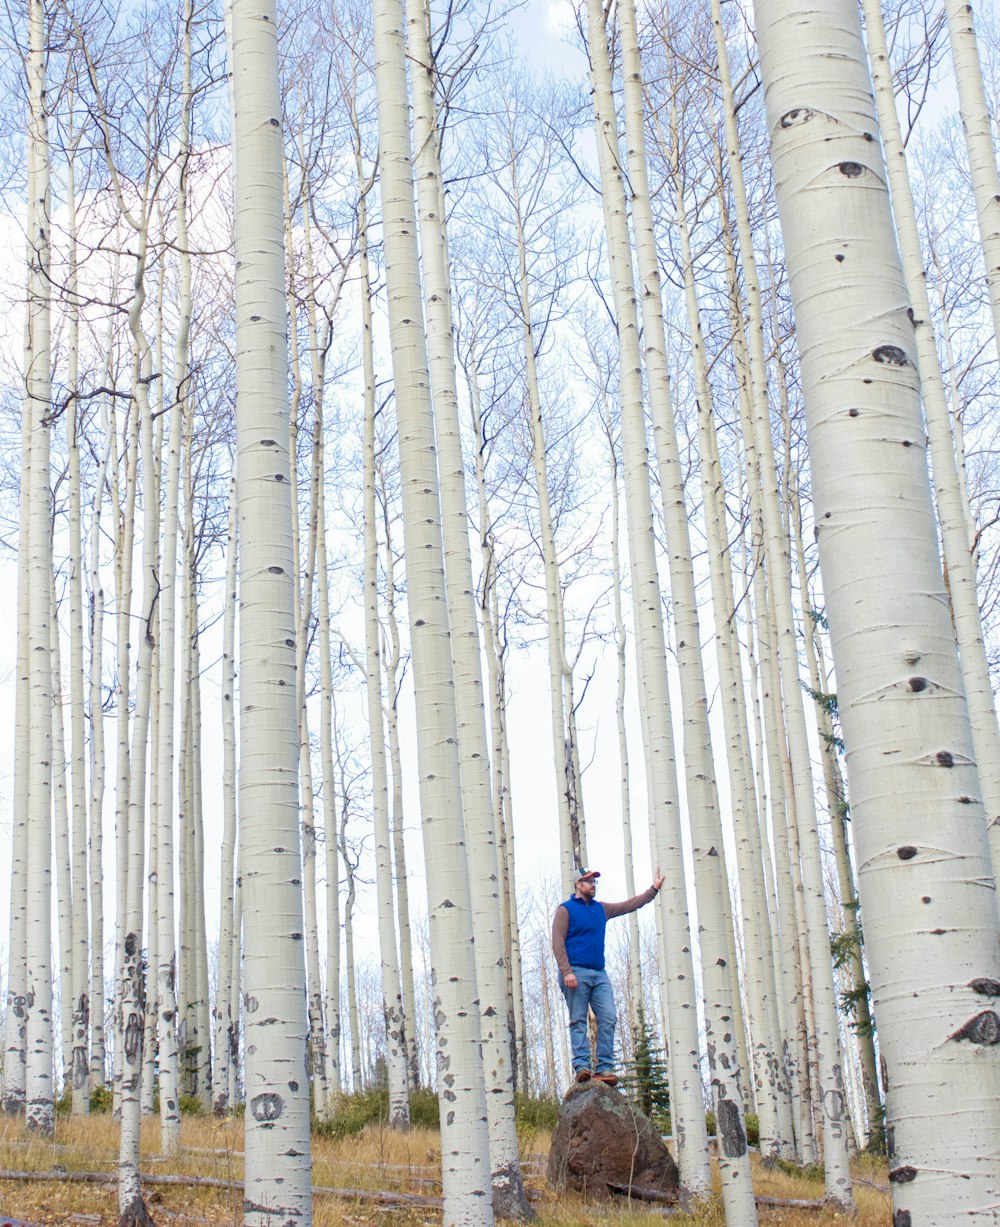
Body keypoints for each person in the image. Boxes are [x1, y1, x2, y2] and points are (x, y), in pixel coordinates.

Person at [551, 865, 664, 1085]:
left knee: (609, 1017)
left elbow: (628, 905)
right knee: (578, 1020)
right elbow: (557, 943)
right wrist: (567, 972)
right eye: (589, 882)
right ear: (578, 884)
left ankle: (604, 1067)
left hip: (599, 973)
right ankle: (582, 1065)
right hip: (575, 972)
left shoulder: (600, 909)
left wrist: (653, 890)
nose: (593, 885)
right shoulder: (565, 910)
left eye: (595, 882)